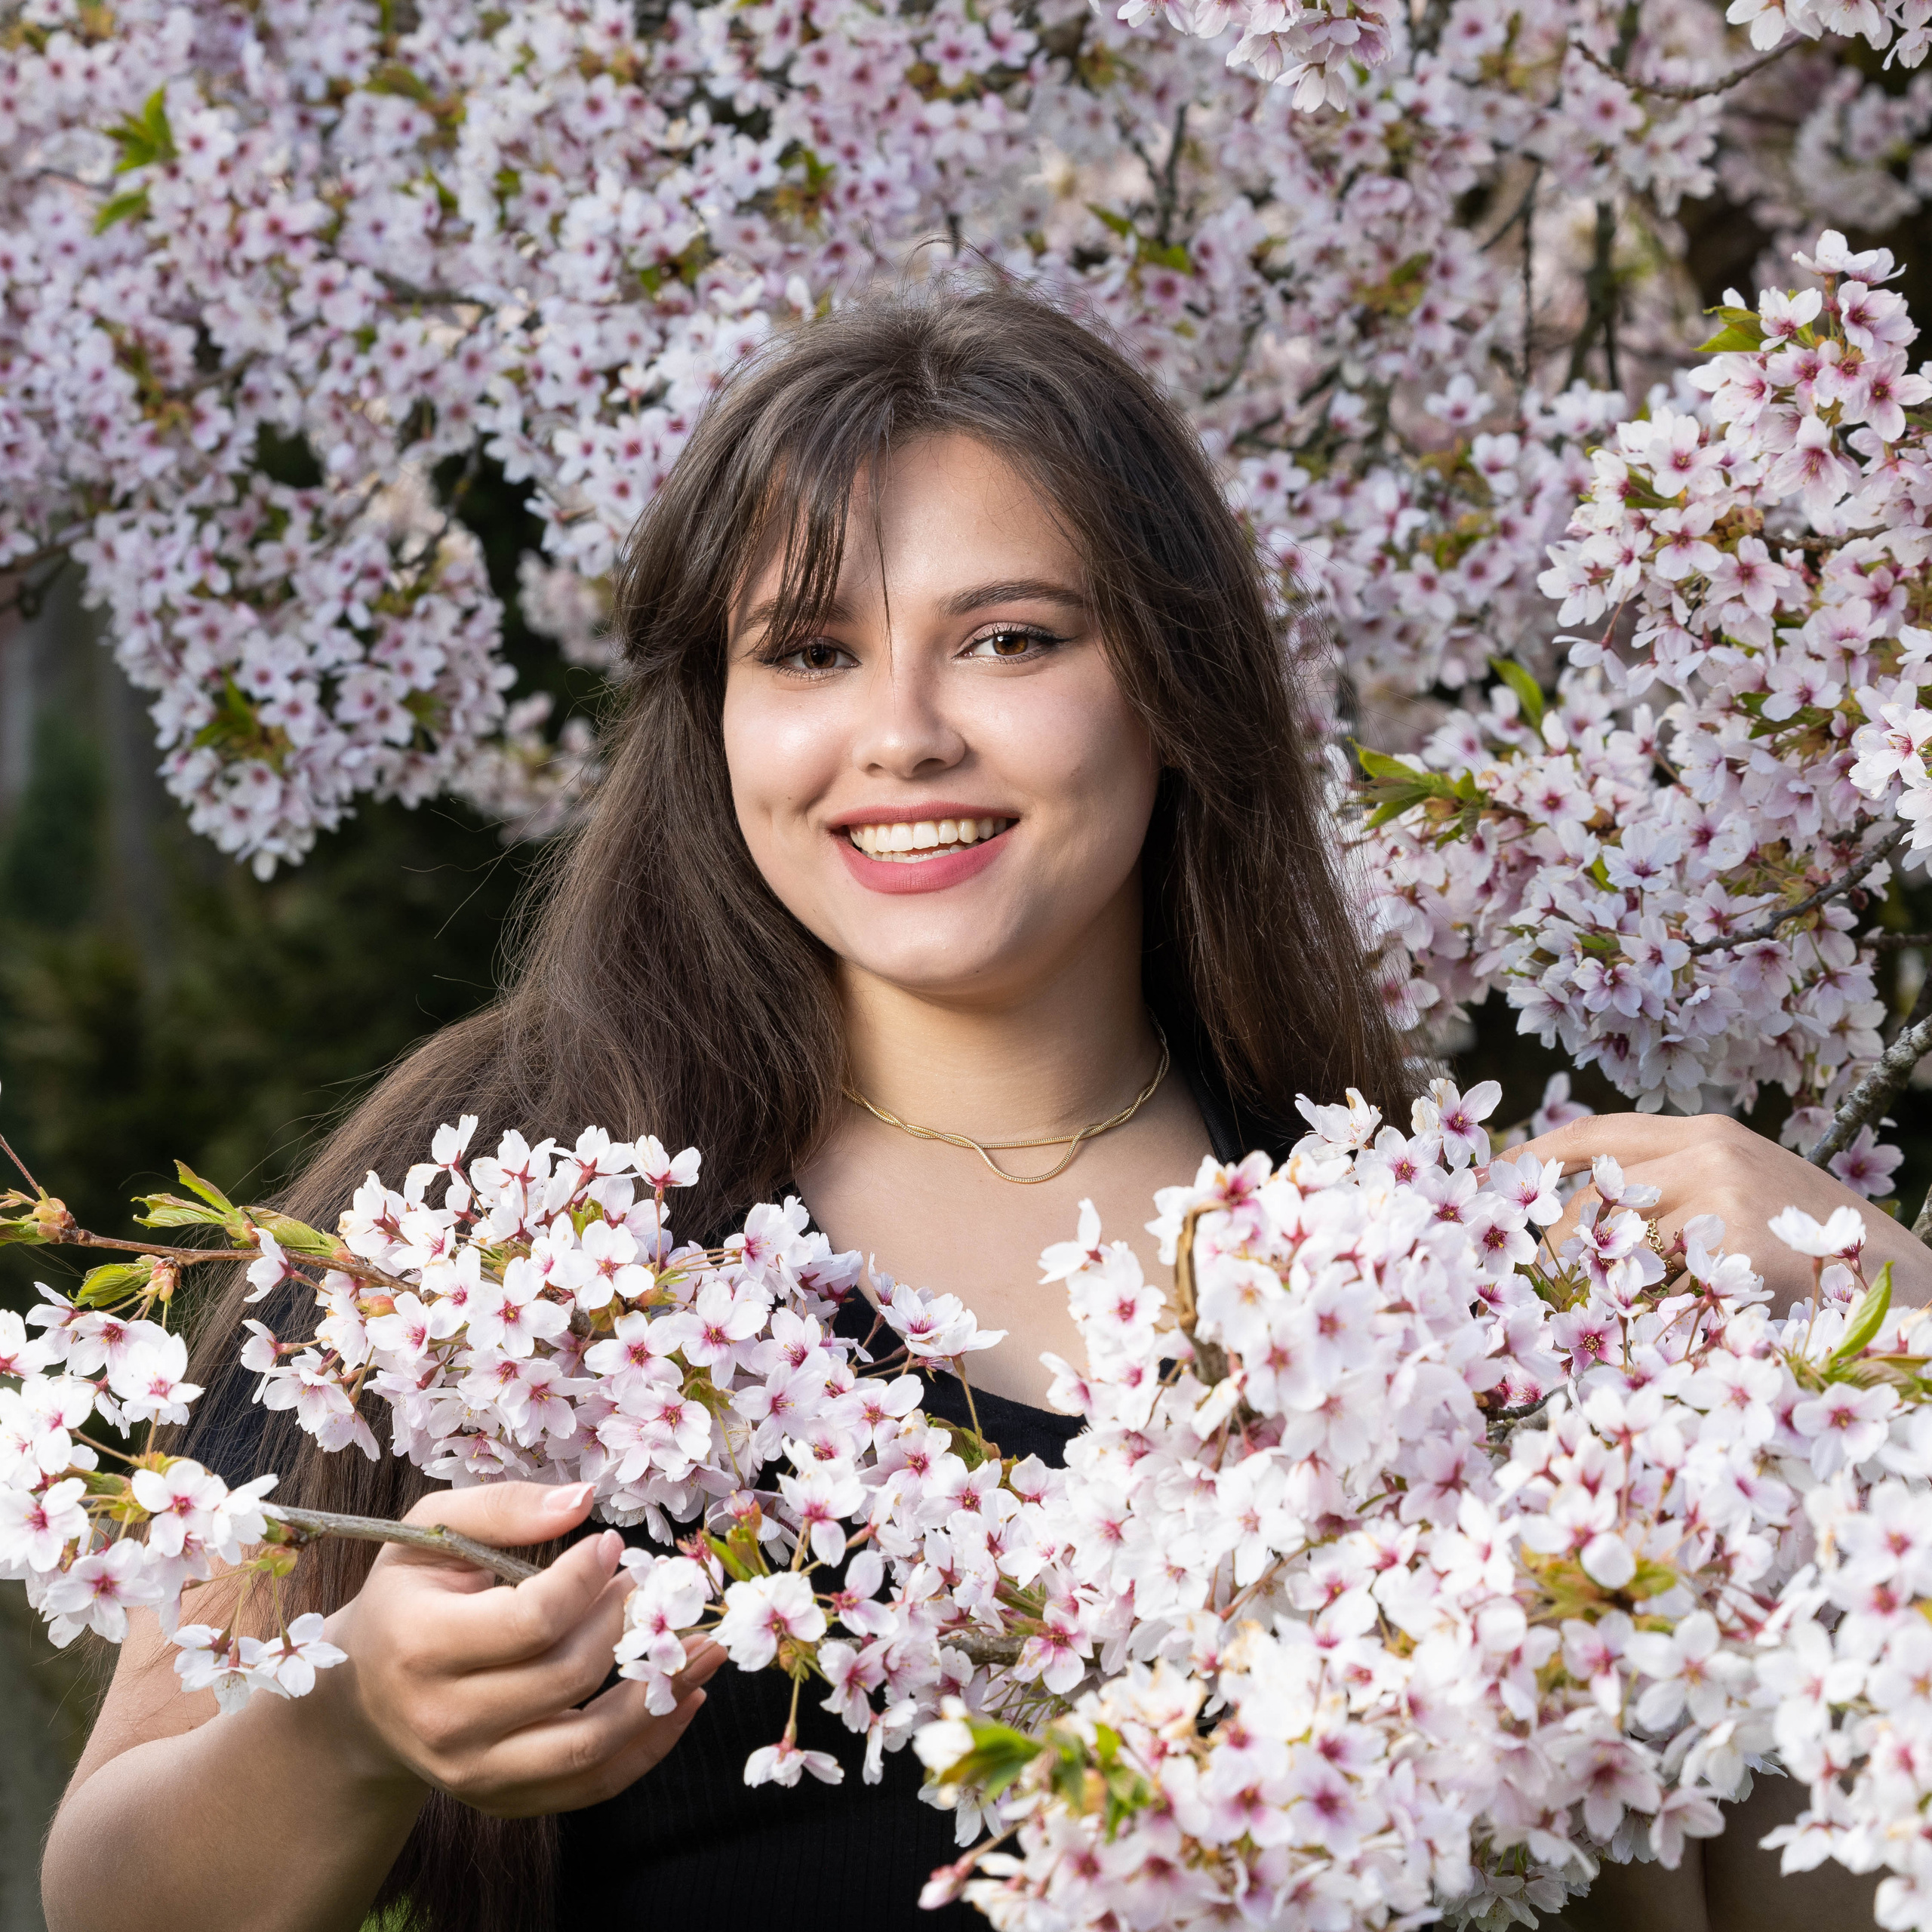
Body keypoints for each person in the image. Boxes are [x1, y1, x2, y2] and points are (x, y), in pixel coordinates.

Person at [41, 278, 1923, 1932]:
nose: (903, 734)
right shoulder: (506, 1233)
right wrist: (350, 1722)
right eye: (807, 652)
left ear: (1171, 683)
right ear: (714, 714)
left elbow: (1737, 1873)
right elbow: (114, 1894)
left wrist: (1890, 1333)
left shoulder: (1446, 1283)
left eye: (1011, 637)